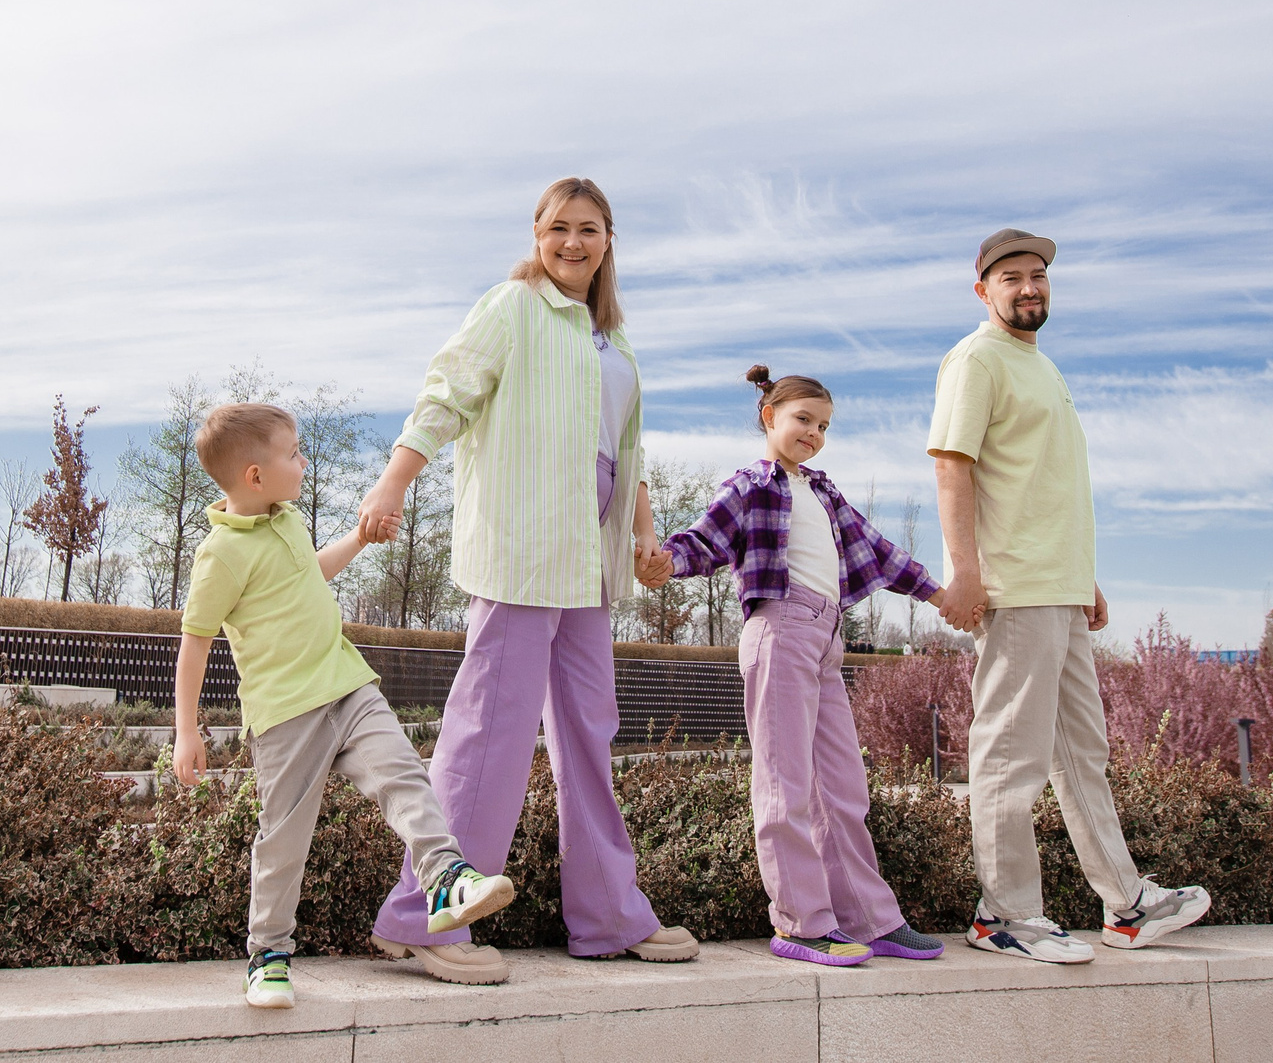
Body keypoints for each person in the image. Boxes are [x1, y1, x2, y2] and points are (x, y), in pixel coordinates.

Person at [357, 176, 698, 980]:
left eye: (588, 228)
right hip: (521, 549)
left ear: (610, 239)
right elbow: (444, 394)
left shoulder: (613, 341)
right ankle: (424, 915)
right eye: (557, 228)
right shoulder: (513, 307)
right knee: (490, 730)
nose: (572, 242)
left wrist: (647, 538)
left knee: (590, 733)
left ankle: (609, 915)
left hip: (589, 564)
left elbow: (627, 456)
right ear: (537, 234)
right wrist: (393, 481)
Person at [173, 401, 516, 1009]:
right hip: (284, 716)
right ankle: (268, 955)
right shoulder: (219, 554)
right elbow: (194, 644)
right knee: (283, 840)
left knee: (405, 777)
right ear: (254, 475)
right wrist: (186, 731)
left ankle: (445, 881)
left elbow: (312, 574)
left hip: (347, 687)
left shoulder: (288, 521)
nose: (303, 462)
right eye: (293, 453)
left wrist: (358, 538)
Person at [931, 228, 1211, 963]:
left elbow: (1044, 484)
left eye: (1040, 277)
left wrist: (1081, 573)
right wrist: (965, 571)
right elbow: (953, 467)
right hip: (1015, 589)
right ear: (983, 289)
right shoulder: (976, 359)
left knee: (1083, 756)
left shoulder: (1040, 365)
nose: (1030, 289)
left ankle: (1126, 903)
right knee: (1009, 761)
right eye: (1013, 277)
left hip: (1058, 589)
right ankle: (1006, 914)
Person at [637, 365, 963, 966]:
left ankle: (870, 919)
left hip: (826, 641)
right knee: (785, 786)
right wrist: (663, 562)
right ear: (770, 418)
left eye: (823, 425)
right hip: (780, 630)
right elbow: (702, 541)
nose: (813, 433)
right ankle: (800, 923)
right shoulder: (751, 486)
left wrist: (941, 596)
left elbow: (882, 552)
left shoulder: (825, 492)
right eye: (802, 420)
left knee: (842, 788)